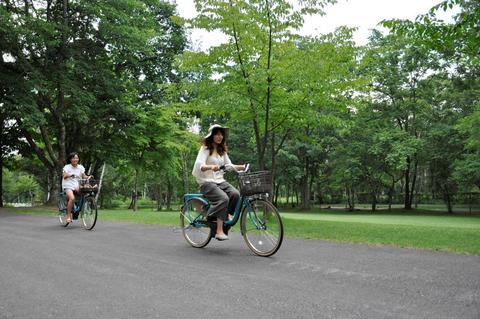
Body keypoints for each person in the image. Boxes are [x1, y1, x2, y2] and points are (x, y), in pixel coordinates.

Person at [192, 124, 245, 241]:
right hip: (207, 182)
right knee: (224, 198)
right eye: (217, 134)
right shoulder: (205, 149)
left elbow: (228, 165)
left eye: (221, 134)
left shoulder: (222, 151)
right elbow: (199, 165)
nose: (220, 136)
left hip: (220, 181)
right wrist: (211, 167)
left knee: (235, 194)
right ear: (211, 136)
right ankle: (219, 230)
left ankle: (224, 217)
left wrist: (241, 167)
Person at [62, 152, 91, 224]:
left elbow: (84, 176)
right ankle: (68, 216)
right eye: (74, 158)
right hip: (68, 184)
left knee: (84, 192)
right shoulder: (67, 167)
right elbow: (64, 176)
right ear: (70, 159)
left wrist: (89, 177)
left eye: (77, 158)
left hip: (76, 184)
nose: (75, 159)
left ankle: (77, 207)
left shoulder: (80, 167)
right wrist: (70, 174)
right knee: (72, 198)